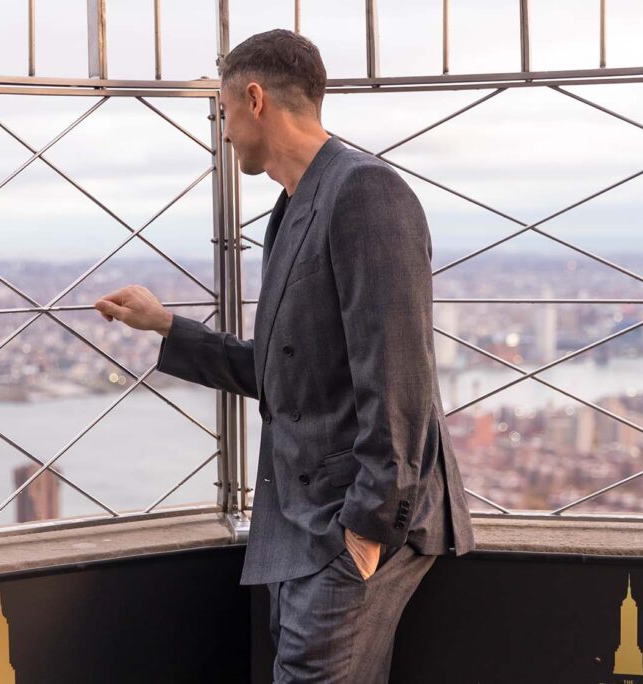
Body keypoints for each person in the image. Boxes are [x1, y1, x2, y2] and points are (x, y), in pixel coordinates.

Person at [94, 29, 474, 683]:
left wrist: (367, 528)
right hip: (309, 527)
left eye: (223, 114)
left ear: (254, 98)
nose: (223, 133)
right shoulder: (296, 206)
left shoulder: (364, 192)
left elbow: (399, 373)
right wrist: (165, 327)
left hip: (347, 525)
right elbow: (286, 372)